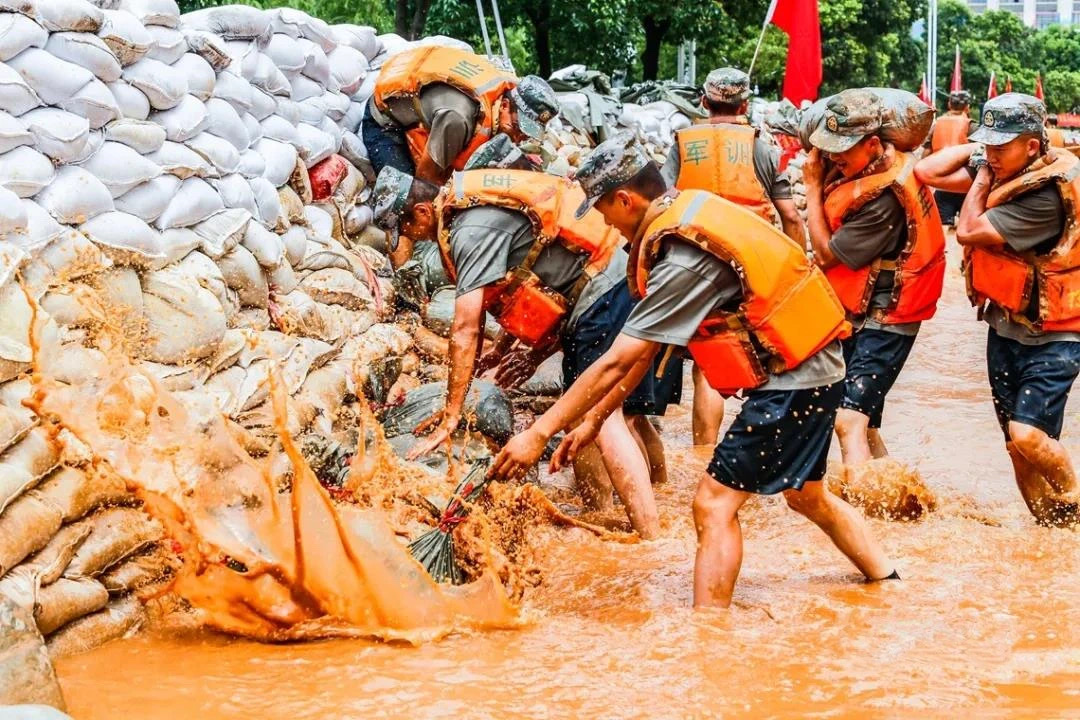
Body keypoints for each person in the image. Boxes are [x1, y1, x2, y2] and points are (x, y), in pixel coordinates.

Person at [491, 134, 899, 608]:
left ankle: (709, 640)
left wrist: (537, 434)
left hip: (794, 380)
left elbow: (620, 358)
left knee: (712, 504)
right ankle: (886, 581)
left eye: (604, 210)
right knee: (808, 497)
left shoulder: (683, 256)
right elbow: (645, 350)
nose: (604, 224)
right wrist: (595, 419)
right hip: (810, 369)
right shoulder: (685, 211)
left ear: (626, 199)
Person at [370, 157, 676, 539]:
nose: (413, 238)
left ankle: (651, 539)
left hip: (600, 295)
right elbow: (535, 273)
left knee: (599, 417)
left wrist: (451, 415)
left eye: (408, 229)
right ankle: (644, 505)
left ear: (420, 211)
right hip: (610, 280)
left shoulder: (467, 230)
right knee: (621, 412)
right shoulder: (470, 207)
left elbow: (465, 328)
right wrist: (522, 353)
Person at [950, 93, 1080, 526]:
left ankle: (1074, 495)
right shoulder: (1013, 176)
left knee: (1026, 434)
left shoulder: (1044, 195)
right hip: (1006, 326)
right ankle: (1053, 535)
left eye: (999, 147)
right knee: (1017, 446)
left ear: (1031, 146)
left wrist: (982, 179)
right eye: (986, 146)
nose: (990, 156)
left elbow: (967, 231)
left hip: (1055, 334)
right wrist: (987, 165)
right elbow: (928, 171)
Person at [662, 67, 805, 446]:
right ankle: (752, 454)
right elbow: (790, 215)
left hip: (692, 266)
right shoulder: (762, 146)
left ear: (704, 102)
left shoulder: (682, 143)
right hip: (748, 270)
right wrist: (799, 268)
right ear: (745, 104)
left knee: (705, 365)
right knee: (758, 361)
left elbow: (661, 205)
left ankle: (702, 454)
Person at [803, 89, 946, 467]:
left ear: (871, 144)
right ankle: (895, 504)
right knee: (863, 425)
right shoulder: (872, 166)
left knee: (847, 420)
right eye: (828, 149)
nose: (833, 157)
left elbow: (824, 253)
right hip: (865, 313)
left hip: (888, 318)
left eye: (842, 150)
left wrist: (812, 186)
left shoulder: (883, 197)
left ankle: (861, 518)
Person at [363, 46, 558, 185]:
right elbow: (425, 178)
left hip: (432, 114)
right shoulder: (458, 118)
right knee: (407, 196)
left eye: (526, 132)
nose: (520, 137)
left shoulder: (501, 93)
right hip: (386, 122)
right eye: (519, 127)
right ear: (506, 105)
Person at [928, 90, 976, 225]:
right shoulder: (971, 126)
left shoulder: (936, 125)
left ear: (949, 104)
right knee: (968, 231)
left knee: (943, 229)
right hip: (966, 188)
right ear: (967, 107)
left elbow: (925, 154)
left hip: (942, 186)